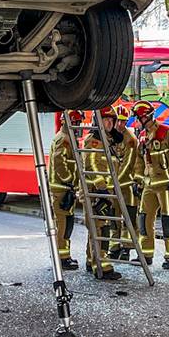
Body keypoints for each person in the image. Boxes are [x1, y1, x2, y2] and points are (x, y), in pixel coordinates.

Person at [133, 101, 169, 270]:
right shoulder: (142, 136)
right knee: (144, 219)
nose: (137, 121)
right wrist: (137, 180)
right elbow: (140, 160)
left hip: (166, 185)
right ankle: (146, 254)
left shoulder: (166, 132)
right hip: (149, 185)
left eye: (139, 118)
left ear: (146, 117)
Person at [82, 112, 123, 281]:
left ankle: (91, 260)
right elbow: (90, 165)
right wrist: (101, 188)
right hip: (96, 193)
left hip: (105, 192)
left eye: (112, 120)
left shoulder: (109, 140)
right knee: (100, 229)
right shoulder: (94, 140)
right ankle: (102, 266)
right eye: (106, 120)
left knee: (96, 227)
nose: (109, 123)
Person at [47, 112, 82, 271]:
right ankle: (61, 258)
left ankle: (64, 255)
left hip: (66, 189)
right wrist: (69, 179)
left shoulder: (68, 138)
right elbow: (59, 162)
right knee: (62, 225)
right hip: (61, 189)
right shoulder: (64, 139)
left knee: (67, 224)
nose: (78, 126)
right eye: (76, 122)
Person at [108, 103, 142, 260]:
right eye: (118, 121)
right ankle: (114, 247)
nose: (120, 124)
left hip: (126, 185)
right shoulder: (109, 136)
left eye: (123, 121)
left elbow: (128, 165)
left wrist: (114, 182)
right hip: (113, 185)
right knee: (113, 218)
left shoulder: (130, 140)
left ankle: (126, 248)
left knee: (129, 217)